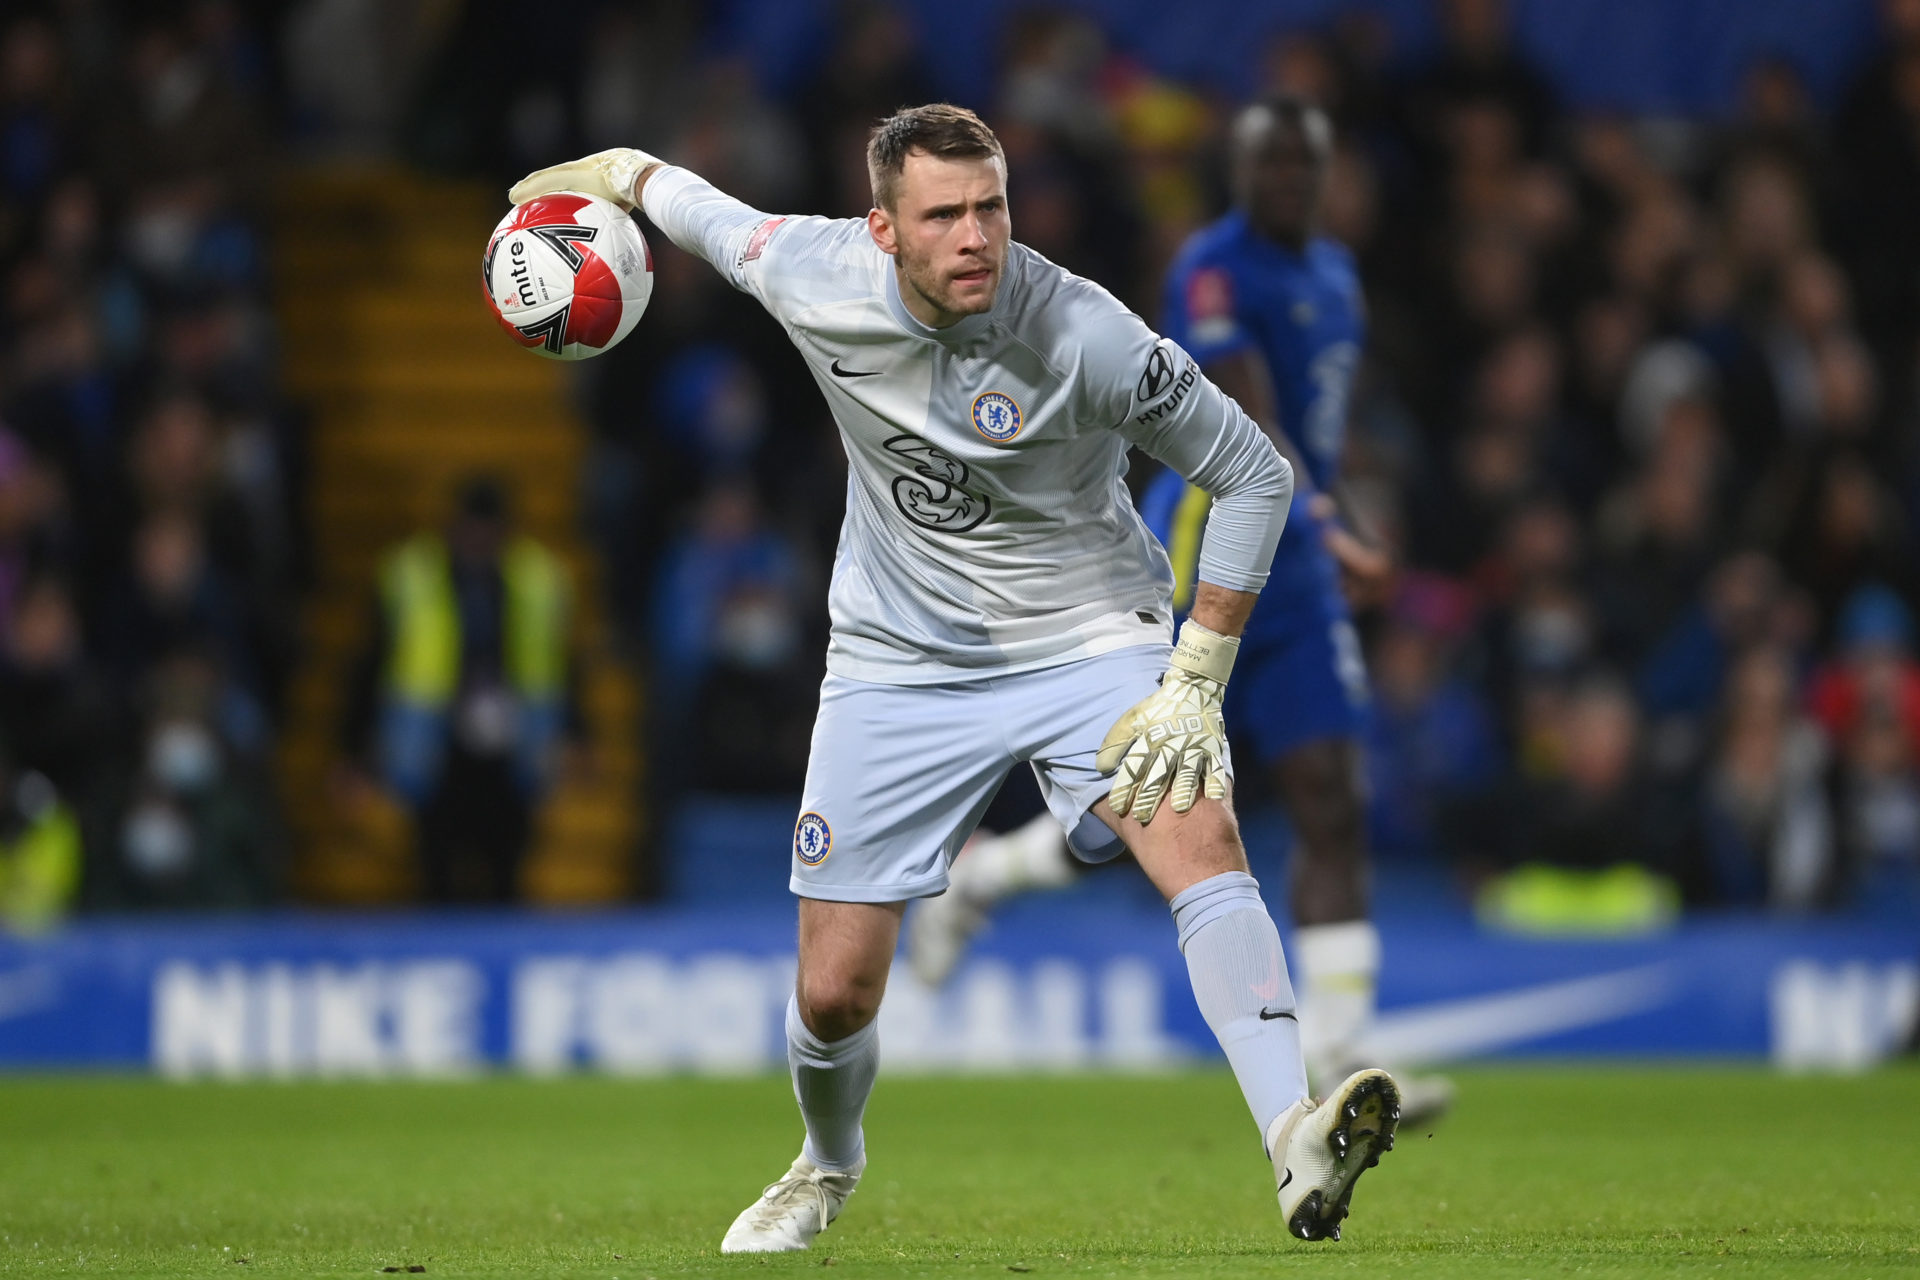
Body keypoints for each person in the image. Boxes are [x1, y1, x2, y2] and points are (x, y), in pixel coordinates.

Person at [511, 104, 1400, 1252]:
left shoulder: (1084, 331)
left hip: (1088, 633)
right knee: (835, 991)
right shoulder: (809, 270)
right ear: (883, 229)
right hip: (898, 654)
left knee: (1198, 832)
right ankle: (826, 1164)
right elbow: (695, 209)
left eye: (993, 207)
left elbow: (1253, 475)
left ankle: (1293, 1132)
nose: (978, 236)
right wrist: (615, 171)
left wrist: (1195, 673)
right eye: (945, 216)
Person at [907, 98, 1452, 1122]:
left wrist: (1337, 513)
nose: (1288, 180)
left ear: (1328, 172)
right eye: (1269, 163)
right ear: (1237, 172)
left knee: (1332, 792)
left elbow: (1322, 423)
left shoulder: (1335, 275)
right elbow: (1244, 412)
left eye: (1305, 163)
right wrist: (1332, 522)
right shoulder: (1213, 269)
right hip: (1206, 546)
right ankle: (984, 878)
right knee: (1138, 813)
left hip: (1304, 570)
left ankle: (1344, 1056)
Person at [339, 476, 580, 902]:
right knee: (436, 874)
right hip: (436, 748)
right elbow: (371, 662)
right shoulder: (411, 574)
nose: (479, 541)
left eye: (490, 531)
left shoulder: (537, 577)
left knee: (507, 872)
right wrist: (353, 750)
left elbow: (561, 663)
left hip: (511, 748)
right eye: (471, 529)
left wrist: (577, 735)